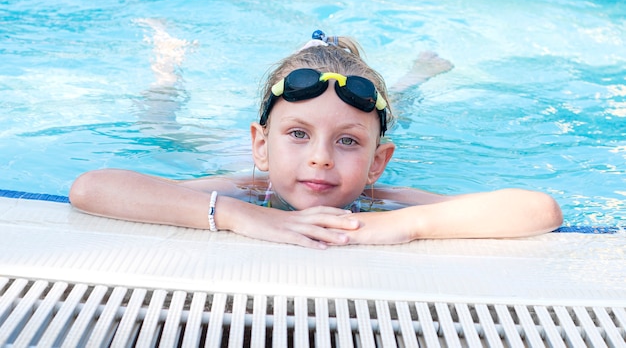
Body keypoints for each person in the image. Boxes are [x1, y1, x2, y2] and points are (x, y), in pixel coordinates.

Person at [69, 30, 563, 249]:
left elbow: (540, 210)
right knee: (164, 126)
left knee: (394, 112)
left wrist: (405, 226)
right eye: (298, 134)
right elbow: (92, 187)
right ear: (261, 144)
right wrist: (244, 216)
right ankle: (167, 65)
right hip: (234, 160)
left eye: (347, 144)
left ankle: (414, 79)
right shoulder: (249, 187)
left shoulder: (378, 200)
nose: (320, 160)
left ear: (377, 163)